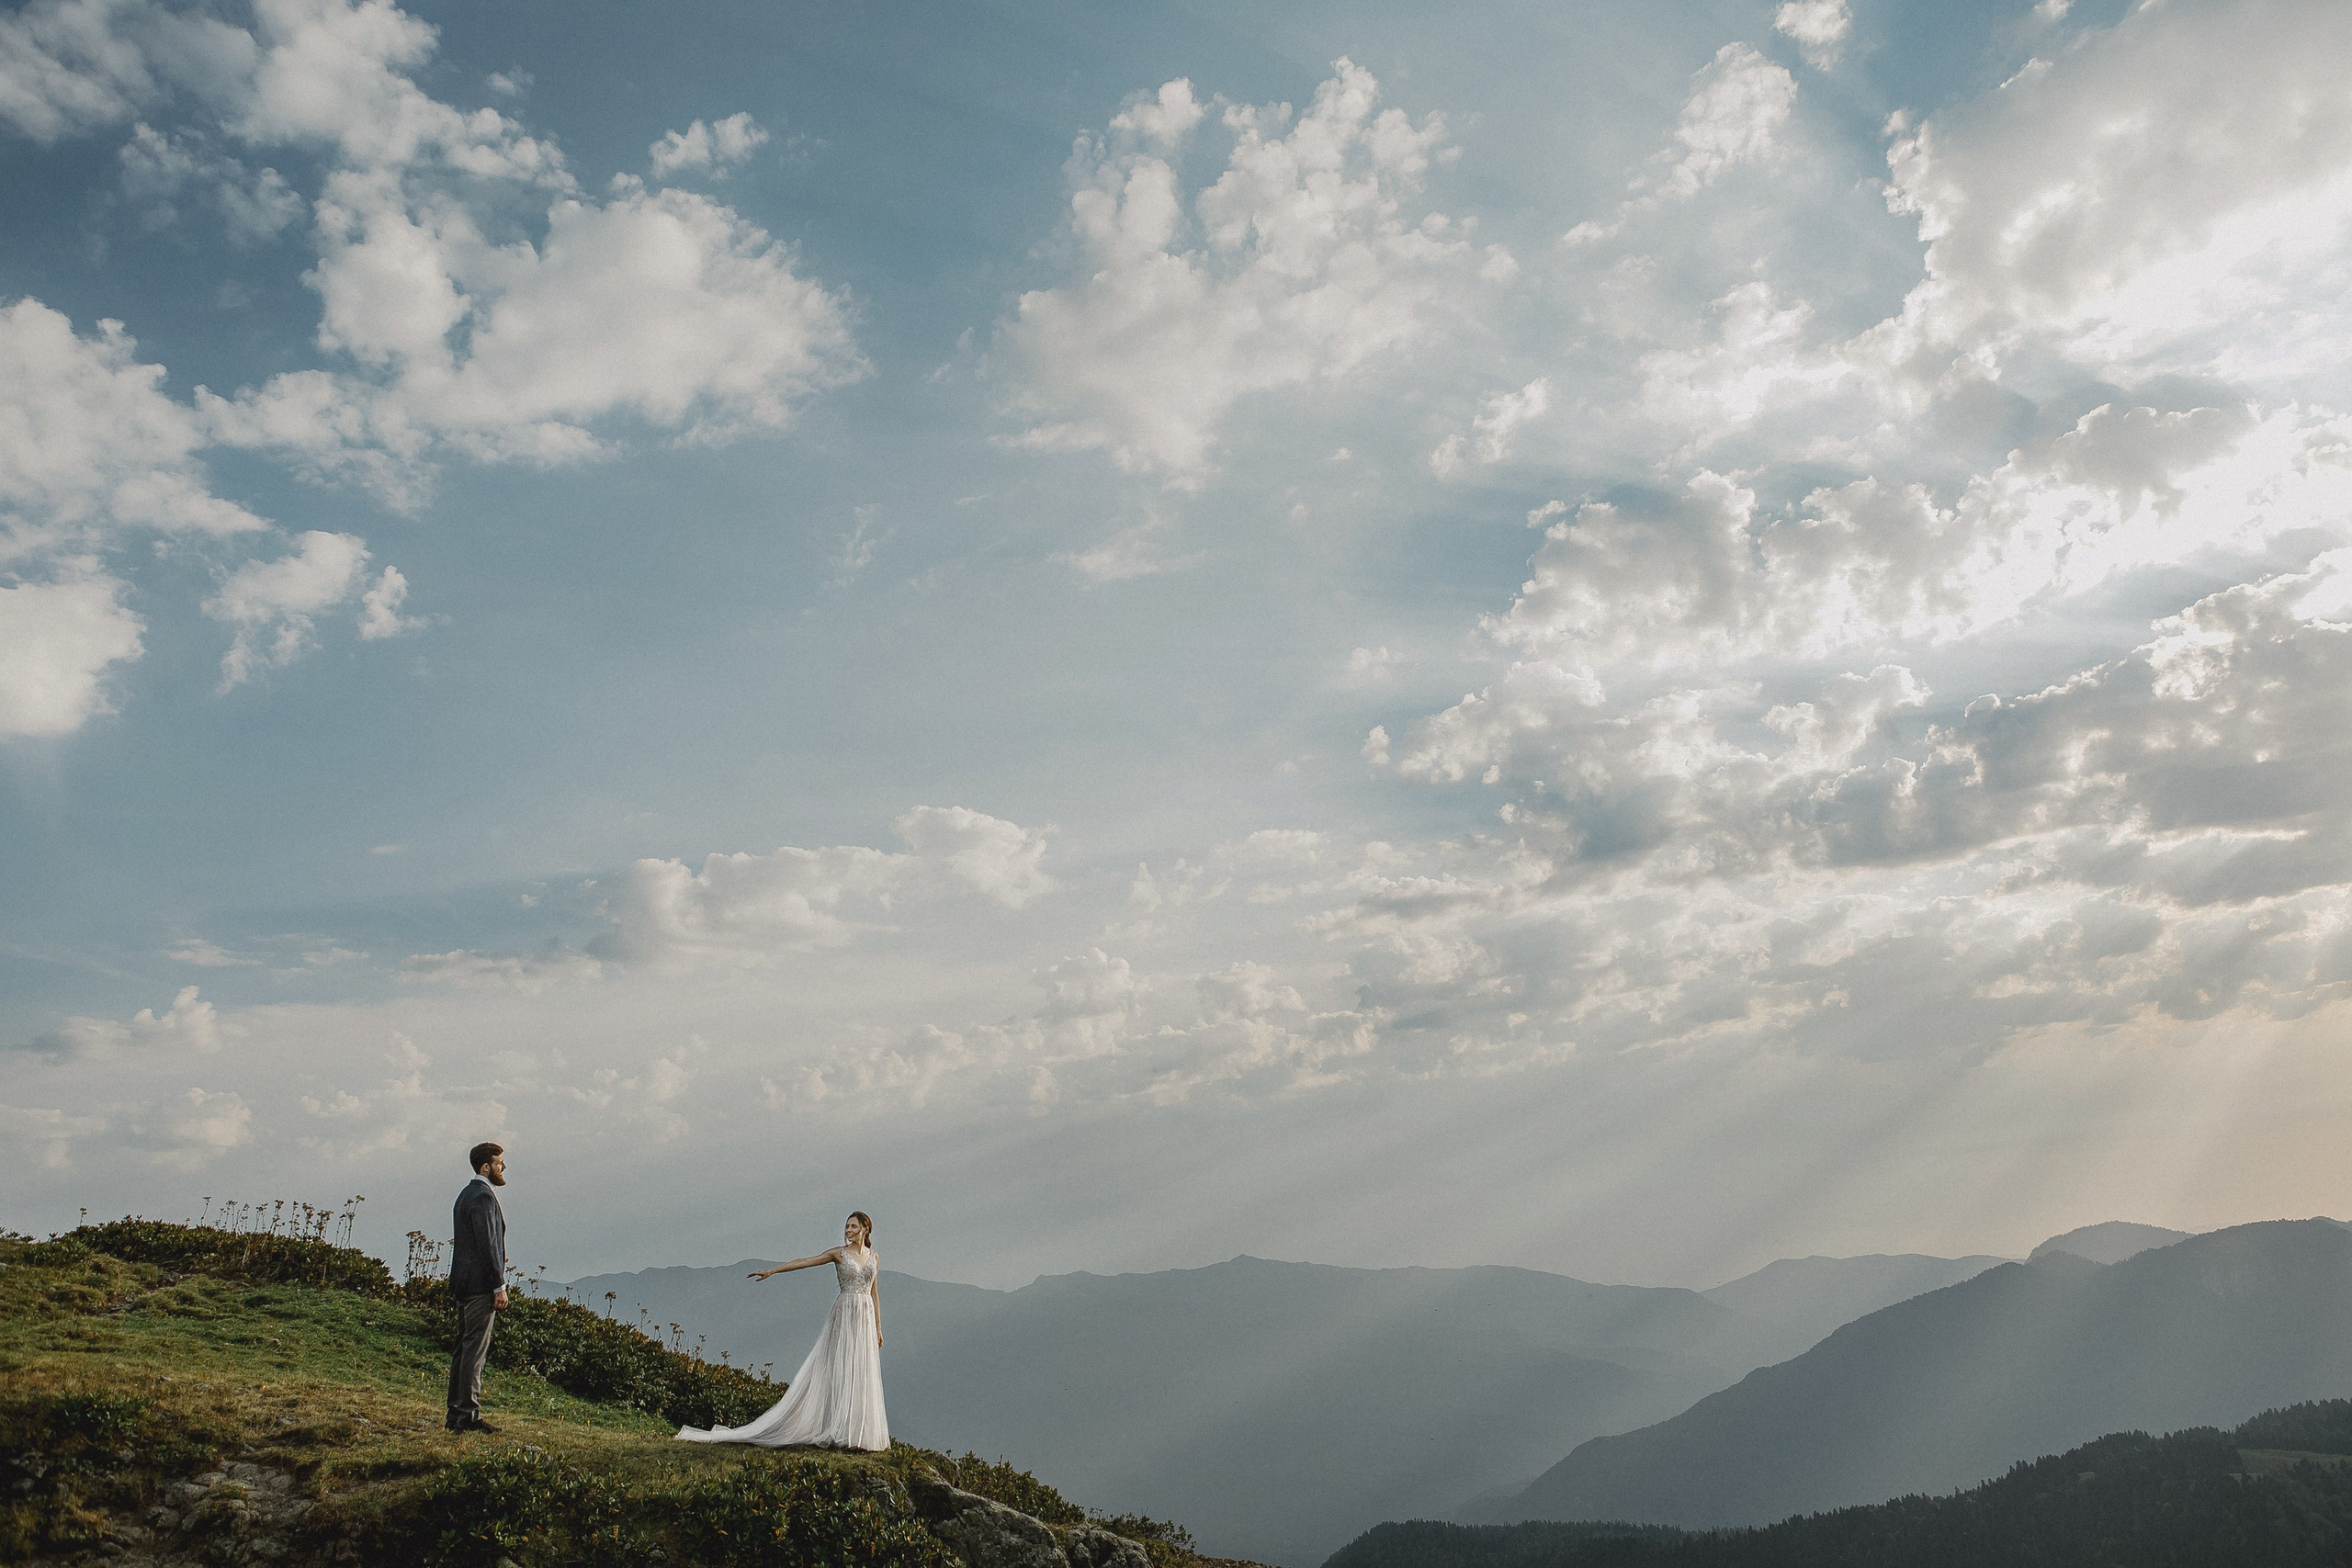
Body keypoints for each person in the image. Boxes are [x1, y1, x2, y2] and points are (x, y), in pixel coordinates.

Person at [675, 1211, 888, 1450]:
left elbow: (874, 1294)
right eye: (847, 1227)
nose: (848, 1231)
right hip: (845, 1312)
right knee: (839, 1367)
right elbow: (804, 1262)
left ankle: (859, 1434)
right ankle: (839, 1429)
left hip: (865, 1317)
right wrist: (773, 1270)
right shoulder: (838, 1253)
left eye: (853, 1227)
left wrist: (879, 1329)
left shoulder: (874, 1258)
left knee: (862, 1370)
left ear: (865, 1229)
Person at [446, 1141, 509, 1434]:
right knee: (474, 1350)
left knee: (463, 1348)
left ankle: (455, 1414)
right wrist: (498, 1285)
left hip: (462, 1281)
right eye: (499, 1163)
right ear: (486, 1167)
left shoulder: (465, 1194)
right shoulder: (483, 1197)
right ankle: (468, 1417)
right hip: (480, 1286)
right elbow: (488, 1246)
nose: (503, 1167)